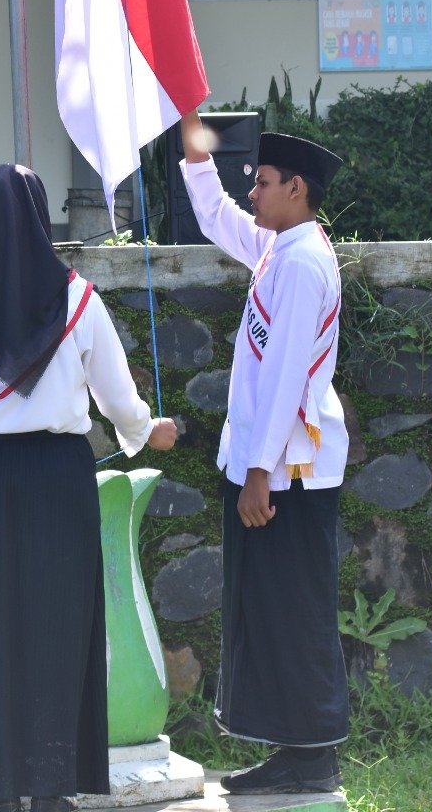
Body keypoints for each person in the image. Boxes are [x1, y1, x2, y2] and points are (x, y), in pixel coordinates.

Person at [0, 163, 178, 812]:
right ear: (42, 221)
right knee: (59, 630)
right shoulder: (80, 301)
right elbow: (117, 399)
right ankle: (52, 788)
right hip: (61, 480)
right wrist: (148, 431)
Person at [179, 114, 349, 797]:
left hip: (287, 475)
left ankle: (312, 756)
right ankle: (295, 750)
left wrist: (257, 474)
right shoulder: (282, 246)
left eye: (264, 182)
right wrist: (195, 154)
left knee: (294, 611)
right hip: (270, 469)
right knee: (273, 609)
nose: (253, 193)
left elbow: (284, 376)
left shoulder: (302, 263)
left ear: (296, 189)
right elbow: (217, 217)